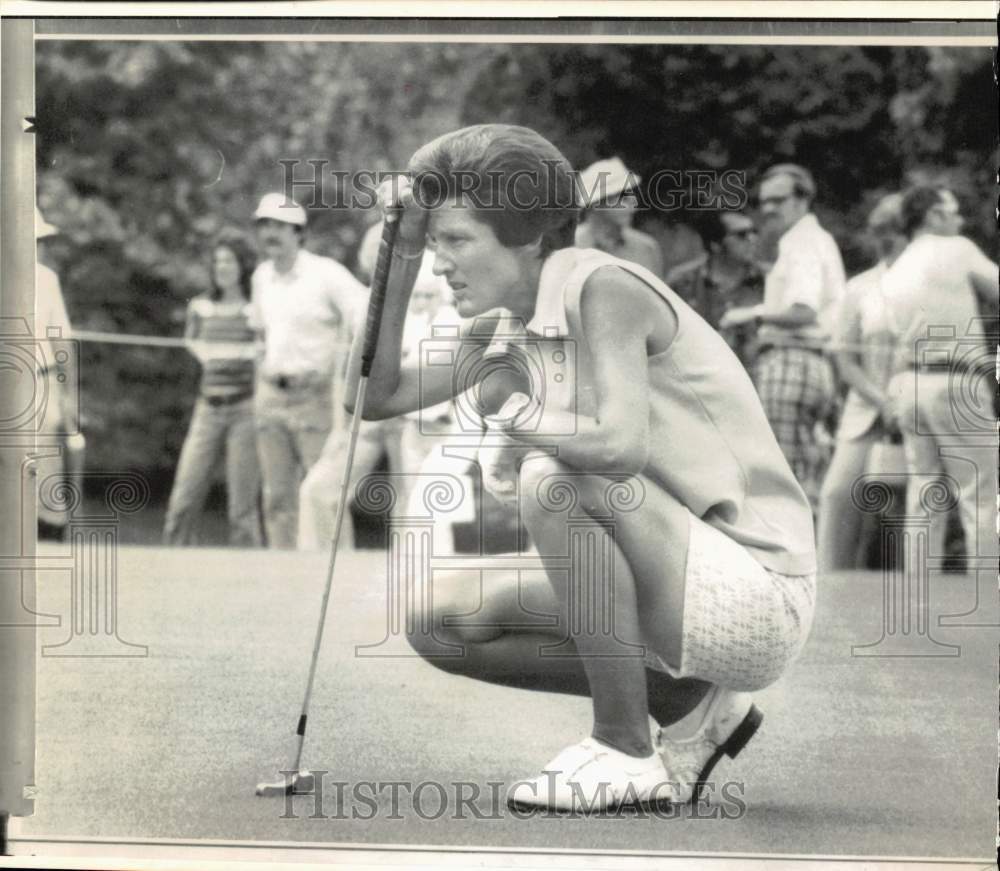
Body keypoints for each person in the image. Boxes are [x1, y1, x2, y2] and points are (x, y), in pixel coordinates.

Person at [348, 125, 817, 812]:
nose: (443, 262)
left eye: (456, 240)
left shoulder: (604, 288)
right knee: (436, 619)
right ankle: (686, 704)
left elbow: (618, 445)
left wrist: (517, 418)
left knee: (555, 479)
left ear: (529, 236)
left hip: (758, 592)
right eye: (437, 242)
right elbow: (371, 396)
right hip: (677, 577)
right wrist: (399, 253)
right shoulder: (502, 329)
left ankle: (624, 747)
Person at [882, 186, 999, 567]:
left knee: (924, 488)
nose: (960, 219)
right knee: (978, 491)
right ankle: (986, 596)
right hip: (957, 379)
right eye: (952, 211)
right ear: (932, 215)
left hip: (912, 383)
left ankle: (919, 593)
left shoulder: (895, 269)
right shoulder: (955, 249)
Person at [720, 164, 846, 511]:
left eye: (779, 199)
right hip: (811, 362)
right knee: (804, 467)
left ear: (803, 199)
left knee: (781, 471)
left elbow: (803, 310)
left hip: (793, 358)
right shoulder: (815, 239)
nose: (770, 208)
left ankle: (790, 559)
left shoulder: (801, 242)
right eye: (765, 201)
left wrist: (751, 314)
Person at [249, 193, 367, 549]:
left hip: (315, 395)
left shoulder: (324, 273)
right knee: (276, 497)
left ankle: (339, 573)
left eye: (280, 226)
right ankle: (281, 580)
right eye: (265, 225)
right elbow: (260, 334)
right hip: (271, 393)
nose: (271, 233)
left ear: (298, 232)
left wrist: (344, 363)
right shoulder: (261, 277)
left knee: (324, 494)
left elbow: (363, 310)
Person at [816, 194, 908, 572]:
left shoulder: (929, 286)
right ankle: (829, 586)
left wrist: (900, 402)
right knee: (838, 494)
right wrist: (880, 399)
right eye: (878, 231)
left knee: (908, 510)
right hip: (866, 410)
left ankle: (918, 598)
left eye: (895, 230)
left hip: (915, 408)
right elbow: (843, 356)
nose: (886, 239)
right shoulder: (860, 288)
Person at [163, 231, 263, 547]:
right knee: (184, 494)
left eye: (229, 261)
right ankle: (169, 566)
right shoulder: (200, 306)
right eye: (218, 261)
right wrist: (204, 353)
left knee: (241, 506)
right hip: (207, 407)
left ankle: (251, 580)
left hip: (245, 409)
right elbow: (191, 340)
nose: (223, 267)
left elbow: (265, 349)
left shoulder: (255, 308)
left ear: (242, 266)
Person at [35, 207, 84, 541]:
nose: (38, 247)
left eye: (39, 241)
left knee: (46, 480)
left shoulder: (46, 279)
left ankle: (51, 537)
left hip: (42, 381)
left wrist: (70, 399)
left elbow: (62, 342)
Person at [666, 210, 765, 371]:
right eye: (742, 235)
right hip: (698, 375)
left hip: (754, 377)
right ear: (715, 244)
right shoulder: (683, 282)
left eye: (754, 232)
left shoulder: (766, 280)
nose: (752, 239)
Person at [575, 157, 664, 277]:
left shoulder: (646, 248)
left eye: (632, 195)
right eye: (623, 196)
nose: (634, 204)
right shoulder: (568, 247)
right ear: (596, 203)